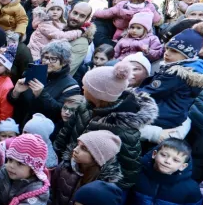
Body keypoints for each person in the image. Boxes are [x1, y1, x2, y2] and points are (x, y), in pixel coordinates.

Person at [55, 60, 159, 189]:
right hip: (66, 173)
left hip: (90, 186)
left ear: (99, 94)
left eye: (86, 86)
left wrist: (102, 188)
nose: (83, 88)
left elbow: (128, 173)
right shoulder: (84, 106)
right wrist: (57, 159)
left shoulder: (124, 129)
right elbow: (65, 134)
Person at [138, 26, 203, 138]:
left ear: (188, 55)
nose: (167, 53)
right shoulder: (194, 67)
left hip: (162, 115)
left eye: (174, 51)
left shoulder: (176, 73)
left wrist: (127, 94)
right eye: (167, 48)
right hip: (175, 115)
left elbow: (151, 92)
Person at [122, 139, 203, 205]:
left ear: (183, 166)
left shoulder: (190, 189)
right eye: (164, 155)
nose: (167, 161)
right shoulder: (136, 173)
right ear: (154, 154)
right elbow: (120, 201)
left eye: (176, 160)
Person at [47, 130, 123, 205]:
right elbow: (51, 191)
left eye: (84, 148)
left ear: (98, 157)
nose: (75, 149)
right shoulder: (65, 166)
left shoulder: (104, 185)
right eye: (78, 145)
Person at [9, 40, 81, 126]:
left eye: (53, 59)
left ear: (64, 62)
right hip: (19, 126)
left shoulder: (71, 86)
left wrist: (41, 94)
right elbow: (16, 103)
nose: (47, 62)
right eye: (45, 57)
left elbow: (59, 113)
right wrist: (15, 93)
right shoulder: (33, 73)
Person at [93, 0, 161, 41]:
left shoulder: (121, 6)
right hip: (143, 34)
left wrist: (95, 12)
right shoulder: (149, 6)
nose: (116, 2)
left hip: (120, 31)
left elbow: (105, 13)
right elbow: (157, 20)